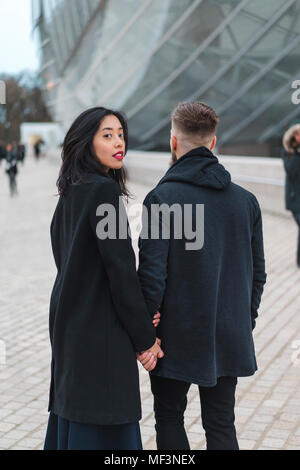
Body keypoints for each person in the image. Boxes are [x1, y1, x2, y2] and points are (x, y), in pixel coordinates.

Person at [137, 102, 267, 450]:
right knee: (222, 423)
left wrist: (146, 333)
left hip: (173, 337)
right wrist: (243, 320)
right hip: (228, 331)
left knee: (168, 417)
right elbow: (258, 274)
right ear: (213, 143)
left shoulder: (162, 199)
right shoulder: (246, 202)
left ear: (173, 141)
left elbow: (151, 276)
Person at [44, 107, 164, 451]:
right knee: (102, 416)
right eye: (107, 135)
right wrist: (145, 338)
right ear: (86, 143)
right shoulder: (103, 193)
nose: (118, 142)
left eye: (121, 134)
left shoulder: (71, 192)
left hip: (69, 321)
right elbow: (120, 272)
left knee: (76, 407)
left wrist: (141, 314)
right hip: (99, 328)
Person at [282, 124, 300, 268]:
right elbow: (290, 170)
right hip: (295, 199)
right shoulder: (288, 152)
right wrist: (297, 153)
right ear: (294, 136)